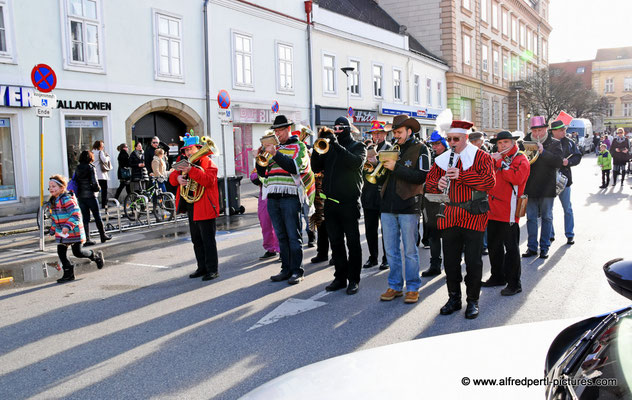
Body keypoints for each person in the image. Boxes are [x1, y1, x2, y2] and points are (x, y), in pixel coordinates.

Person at [425, 120, 496, 319]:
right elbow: (429, 182)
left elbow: (489, 182)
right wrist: (437, 183)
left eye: (456, 139)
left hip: (473, 215)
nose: (452, 143)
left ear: (465, 138)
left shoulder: (481, 156)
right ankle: (454, 298)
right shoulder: (443, 158)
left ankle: (472, 300)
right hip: (449, 216)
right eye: (449, 139)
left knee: (473, 261)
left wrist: (462, 175)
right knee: (451, 262)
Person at [376, 115, 430, 304]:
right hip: (388, 206)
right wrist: (378, 170)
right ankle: (395, 286)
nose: (396, 136)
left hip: (408, 205)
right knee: (390, 250)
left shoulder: (421, 149)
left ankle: (413, 287)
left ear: (409, 131)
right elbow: (383, 178)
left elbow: (421, 177)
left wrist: (395, 167)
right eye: (394, 132)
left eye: (399, 132)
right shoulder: (391, 149)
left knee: (409, 251)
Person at [257, 115, 315, 285]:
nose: (277, 134)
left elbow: (295, 167)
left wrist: (275, 153)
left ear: (288, 129)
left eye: (280, 130)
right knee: (281, 235)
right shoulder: (271, 148)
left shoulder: (299, 146)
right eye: (275, 131)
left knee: (293, 235)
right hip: (273, 197)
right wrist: (259, 161)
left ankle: (297, 270)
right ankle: (286, 269)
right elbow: (262, 174)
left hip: (290, 197)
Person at [311, 117, 365, 295]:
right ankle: (340, 278)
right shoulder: (330, 147)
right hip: (330, 203)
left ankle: (354, 279)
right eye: (334, 128)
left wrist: (334, 144)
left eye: (340, 128)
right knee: (336, 243)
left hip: (349, 203)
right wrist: (317, 151)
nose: (336, 130)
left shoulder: (359, 147)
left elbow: (354, 163)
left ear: (348, 129)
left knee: (353, 243)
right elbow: (315, 168)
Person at [481, 131, 530, 296]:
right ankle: (497, 276)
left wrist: (501, 163)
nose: (502, 146)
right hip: (493, 209)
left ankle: (515, 283)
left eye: (506, 142)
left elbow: (517, 179)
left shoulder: (520, 158)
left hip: (509, 211)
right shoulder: (496, 158)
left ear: (513, 143)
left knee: (511, 249)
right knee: (494, 247)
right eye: (500, 143)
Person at [169, 131, 220, 281]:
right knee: (196, 240)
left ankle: (212, 269)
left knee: (208, 240)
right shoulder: (184, 163)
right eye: (186, 150)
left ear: (199, 149)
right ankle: (201, 267)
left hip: (205, 206)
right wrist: (178, 177)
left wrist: (191, 171)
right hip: (191, 205)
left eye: (190, 149)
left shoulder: (208, 163)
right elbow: (172, 178)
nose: (188, 152)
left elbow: (208, 181)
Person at [521, 116, 563, 259]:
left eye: (540, 130)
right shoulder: (524, 143)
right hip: (530, 186)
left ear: (545, 129)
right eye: (535, 130)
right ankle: (531, 247)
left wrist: (543, 152)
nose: (538, 133)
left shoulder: (554, 143)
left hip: (547, 186)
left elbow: (558, 162)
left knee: (546, 217)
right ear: (531, 130)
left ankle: (544, 247)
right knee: (531, 218)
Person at [48, 175, 104, 283]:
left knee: (77, 252)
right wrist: (52, 229)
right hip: (62, 232)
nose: (51, 189)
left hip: (74, 231)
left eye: (54, 186)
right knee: (61, 252)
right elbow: (55, 218)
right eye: (49, 186)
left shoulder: (67, 199)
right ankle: (68, 273)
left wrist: (68, 226)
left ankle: (95, 255)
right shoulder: (53, 201)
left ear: (62, 187)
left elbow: (76, 215)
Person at [361, 120, 391, 270]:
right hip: (368, 193)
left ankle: (386, 258)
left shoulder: (390, 148)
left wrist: (376, 162)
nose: (376, 136)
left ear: (385, 134)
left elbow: (388, 173)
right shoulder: (367, 148)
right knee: (370, 228)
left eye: (379, 133)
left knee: (386, 229)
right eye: (374, 133)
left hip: (384, 194)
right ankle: (373, 257)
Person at [549, 120, 582, 245]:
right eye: (561, 130)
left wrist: (569, 162)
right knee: (548, 211)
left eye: (564, 129)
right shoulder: (547, 142)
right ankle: (550, 234)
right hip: (549, 180)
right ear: (554, 131)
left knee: (567, 208)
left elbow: (578, 156)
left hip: (565, 179)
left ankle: (570, 234)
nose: (564, 131)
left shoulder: (569, 142)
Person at [420, 130, 448, 277]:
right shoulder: (434, 158)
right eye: (433, 144)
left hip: (447, 203)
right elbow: (428, 180)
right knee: (433, 236)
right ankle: (435, 265)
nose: (434, 147)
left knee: (449, 238)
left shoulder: (451, 158)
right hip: (431, 202)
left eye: (437, 144)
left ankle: (450, 268)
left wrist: (435, 183)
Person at [75, 150, 112, 246]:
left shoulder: (78, 168)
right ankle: (103, 235)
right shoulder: (91, 167)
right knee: (97, 216)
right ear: (90, 158)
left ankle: (87, 239)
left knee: (85, 218)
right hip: (91, 195)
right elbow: (95, 182)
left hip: (81, 196)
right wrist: (98, 189)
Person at [250, 167, 279, 260]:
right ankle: (270, 249)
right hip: (264, 196)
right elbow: (253, 176)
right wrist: (261, 175)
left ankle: (282, 249)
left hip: (278, 194)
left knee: (278, 224)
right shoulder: (262, 159)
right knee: (265, 223)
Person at [92, 140, 112, 209]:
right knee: (104, 190)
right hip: (101, 174)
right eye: (102, 146)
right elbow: (104, 160)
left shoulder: (92, 152)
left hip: (94, 174)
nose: (103, 147)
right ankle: (104, 205)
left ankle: (95, 205)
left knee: (95, 191)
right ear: (99, 146)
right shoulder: (100, 152)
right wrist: (108, 157)